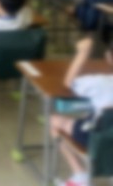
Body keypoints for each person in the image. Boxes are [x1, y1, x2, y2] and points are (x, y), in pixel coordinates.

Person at [50, 36, 113, 186]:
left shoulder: (100, 82)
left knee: (55, 121)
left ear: (109, 57)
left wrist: (82, 53)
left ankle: (80, 175)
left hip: (99, 140)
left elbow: (68, 82)